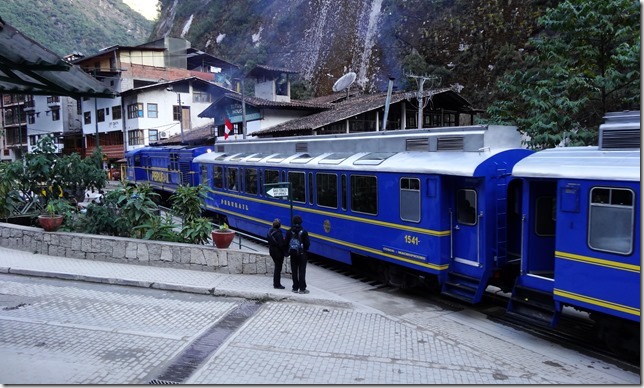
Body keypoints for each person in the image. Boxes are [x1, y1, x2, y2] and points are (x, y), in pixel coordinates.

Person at [285, 215, 311, 294]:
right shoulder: (304, 232)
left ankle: (295, 287)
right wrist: (304, 250)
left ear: (293, 222)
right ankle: (302, 289)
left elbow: (286, 243)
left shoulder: (289, 231)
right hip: (302, 254)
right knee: (302, 270)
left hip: (293, 253)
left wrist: (287, 252)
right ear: (300, 222)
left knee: (294, 270)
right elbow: (307, 244)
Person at [267, 218, 286, 289]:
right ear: (279, 226)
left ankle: (276, 283)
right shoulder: (278, 233)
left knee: (277, 267)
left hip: (272, 251)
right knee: (278, 268)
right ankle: (277, 284)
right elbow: (281, 244)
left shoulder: (270, 231)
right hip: (278, 253)